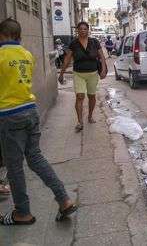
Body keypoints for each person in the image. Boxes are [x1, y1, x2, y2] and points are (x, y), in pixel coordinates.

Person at [0, 18, 77, 225]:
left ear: (3, 35)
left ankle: (22, 213)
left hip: (9, 115)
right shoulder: (26, 55)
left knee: (14, 167)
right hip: (30, 110)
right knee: (36, 158)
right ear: (18, 35)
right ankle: (64, 199)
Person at [58, 22, 107, 132]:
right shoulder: (73, 44)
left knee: (91, 96)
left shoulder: (94, 42)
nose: (83, 31)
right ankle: (80, 122)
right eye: (80, 29)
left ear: (88, 30)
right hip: (78, 74)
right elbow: (67, 59)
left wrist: (103, 69)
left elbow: (102, 57)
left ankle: (90, 116)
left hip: (93, 73)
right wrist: (61, 73)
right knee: (80, 96)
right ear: (77, 30)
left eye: (85, 29)